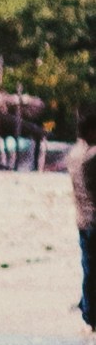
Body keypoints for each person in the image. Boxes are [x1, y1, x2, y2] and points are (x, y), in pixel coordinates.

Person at [71, 128, 95, 330]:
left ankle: (86, 306)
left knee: (89, 268)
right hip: (93, 220)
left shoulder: (74, 153)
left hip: (82, 219)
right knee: (92, 271)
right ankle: (89, 314)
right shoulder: (91, 156)